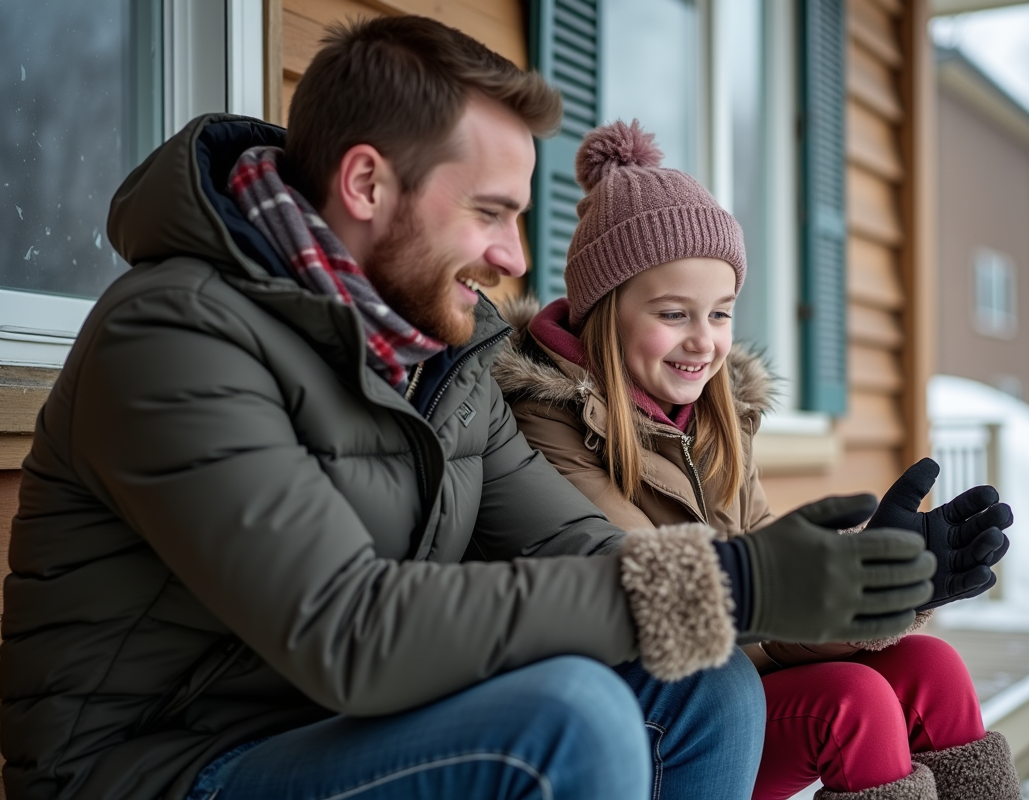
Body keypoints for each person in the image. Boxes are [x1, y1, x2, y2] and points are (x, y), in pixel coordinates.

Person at [0, 16, 942, 800]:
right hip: (166, 769)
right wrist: (733, 585)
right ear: (368, 184)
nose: (517, 258)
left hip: (335, 732)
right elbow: (349, 629)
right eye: (491, 213)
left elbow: (577, 548)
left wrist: (803, 580)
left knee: (709, 681)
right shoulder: (175, 338)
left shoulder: (437, 358)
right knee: (566, 722)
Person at [494, 119, 1021, 800]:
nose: (703, 342)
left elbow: (763, 598)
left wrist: (881, 584)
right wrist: (844, 598)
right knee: (852, 703)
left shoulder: (714, 419)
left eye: (721, 314)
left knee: (931, 668)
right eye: (675, 313)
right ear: (605, 309)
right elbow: (673, 611)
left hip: (731, 667)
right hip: (656, 712)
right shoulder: (551, 425)